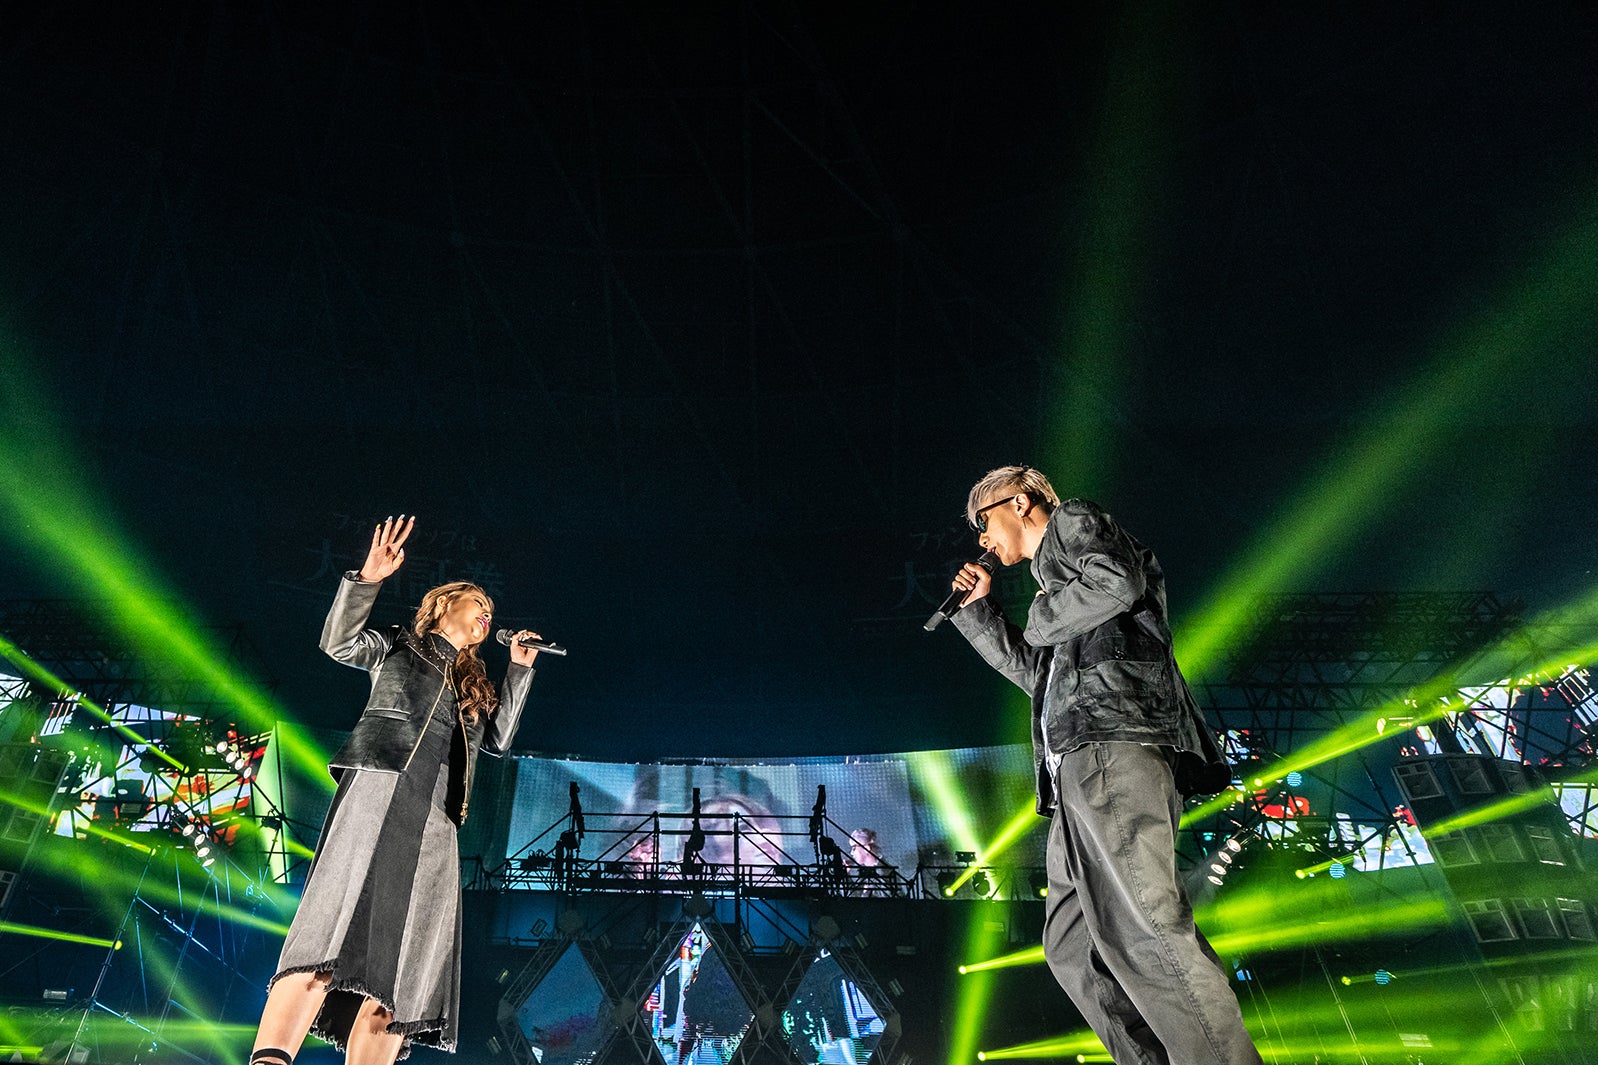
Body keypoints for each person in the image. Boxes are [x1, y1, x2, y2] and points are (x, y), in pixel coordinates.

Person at [944, 467, 1260, 1065]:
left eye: (984, 520)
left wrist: (1039, 618)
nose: (982, 538)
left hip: (1113, 744)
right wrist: (980, 612)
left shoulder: (1073, 522)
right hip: (1073, 768)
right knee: (1073, 946)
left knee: (1146, 923)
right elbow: (1036, 678)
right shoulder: (1061, 598)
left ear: (1020, 503)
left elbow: (1117, 580)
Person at [250, 516, 541, 1065]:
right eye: (478, 602)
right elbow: (339, 643)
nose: (487, 614)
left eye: (491, 611)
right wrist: (368, 580)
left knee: (406, 963)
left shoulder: (473, 684)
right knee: (332, 929)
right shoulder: (399, 646)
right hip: (381, 784)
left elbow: (498, 741)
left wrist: (518, 671)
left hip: (439, 815)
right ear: (444, 604)